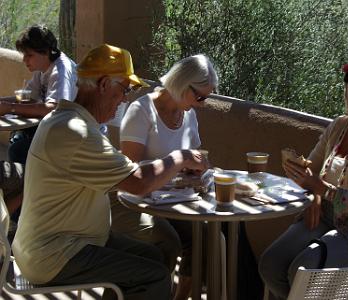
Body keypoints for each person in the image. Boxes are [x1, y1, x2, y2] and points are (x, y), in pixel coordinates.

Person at [11, 44, 208, 300]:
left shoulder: (71, 121)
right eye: (124, 90)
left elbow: (130, 172)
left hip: (67, 242)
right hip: (57, 253)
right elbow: (138, 182)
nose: (125, 99)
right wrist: (180, 158)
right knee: (154, 276)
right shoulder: (77, 133)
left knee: (156, 255)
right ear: (104, 84)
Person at [258, 52, 348, 300]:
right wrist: (311, 190)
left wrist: (321, 190)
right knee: (270, 264)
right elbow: (311, 168)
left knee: (303, 270)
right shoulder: (339, 125)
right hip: (326, 216)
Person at [113, 54, 217, 300]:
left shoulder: (188, 113)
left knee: (205, 237)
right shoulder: (141, 110)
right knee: (168, 241)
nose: (202, 104)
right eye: (199, 96)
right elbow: (131, 172)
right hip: (137, 202)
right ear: (182, 83)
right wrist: (179, 161)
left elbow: (194, 157)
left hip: (172, 199)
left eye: (206, 98)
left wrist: (196, 167)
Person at [0, 24, 77, 164]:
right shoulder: (42, 68)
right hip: (52, 126)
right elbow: (28, 97)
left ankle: (26, 183)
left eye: (29, 55)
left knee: (18, 149)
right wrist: (2, 102)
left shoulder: (61, 71)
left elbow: (54, 108)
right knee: (17, 137)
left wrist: (9, 108)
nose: (24, 60)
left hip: (69, 134)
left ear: (46, 52)